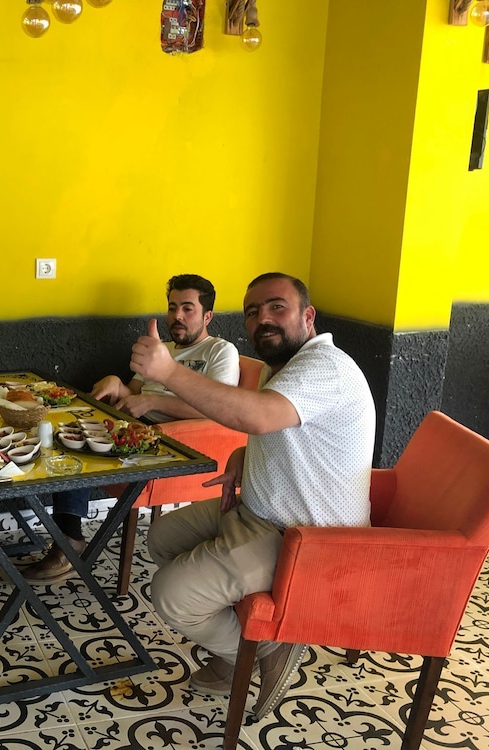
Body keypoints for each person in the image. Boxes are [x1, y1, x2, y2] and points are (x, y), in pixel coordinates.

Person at [128, 272, 375, 719]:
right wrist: (244, 454)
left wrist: (168, 372)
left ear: (308, 315)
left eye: (277, 306)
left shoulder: (325, 366)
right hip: (258, 511)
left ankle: (263, 649)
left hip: (306, 538)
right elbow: (284, 430)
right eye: (253, 311)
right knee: (161, 537)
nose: (263, 319)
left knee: (171, 595)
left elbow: (260, 417)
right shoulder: (280, 367)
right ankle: (237, 643)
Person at [21, 274, 240, 582]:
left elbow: (218, 409)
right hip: (137, 431)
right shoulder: (160, 349)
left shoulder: (220, 351)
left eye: (187, 308)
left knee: (82, 450)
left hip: (179, 446)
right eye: (172, 307)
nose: (177, 315)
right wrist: (117, 384)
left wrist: (151, 402)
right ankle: (67, 536)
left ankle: (68, 544)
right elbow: (132, 393)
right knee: (68, 437)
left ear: (207, 316)